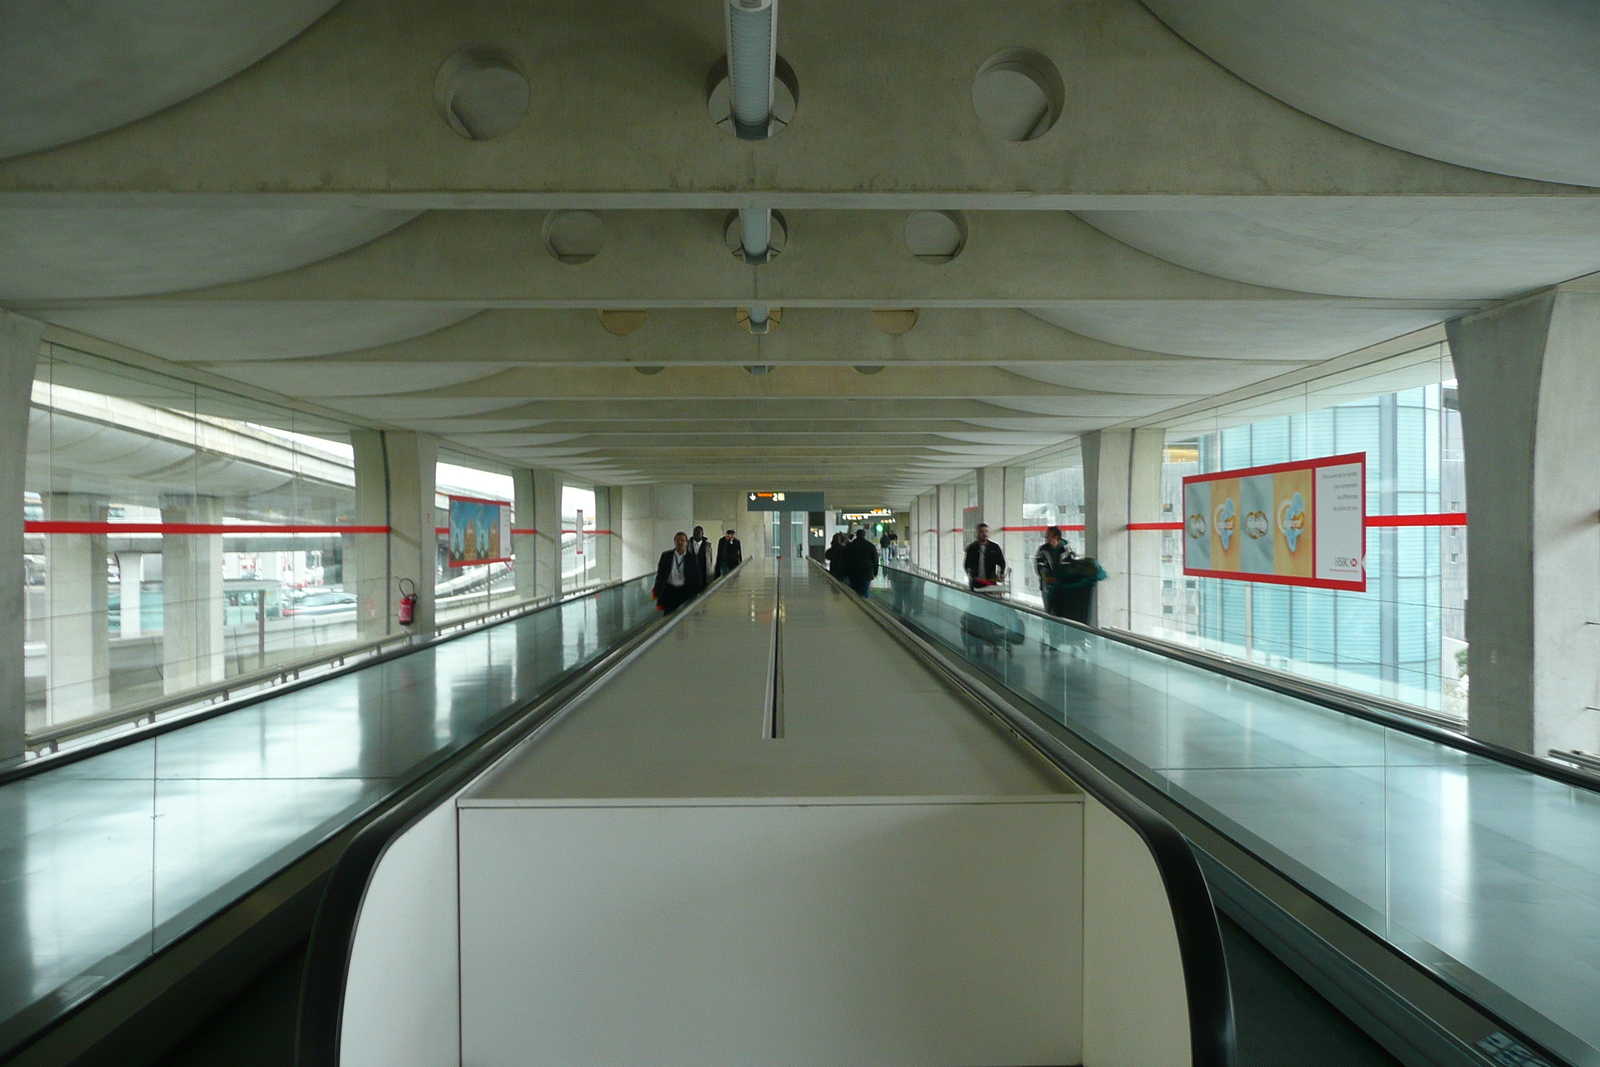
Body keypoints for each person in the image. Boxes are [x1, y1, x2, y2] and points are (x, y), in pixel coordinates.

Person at [653, 531, 705, 614]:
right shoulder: (666, 556)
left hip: (685, 591)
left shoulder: (691, 558)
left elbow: (696, 576)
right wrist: (657, 591)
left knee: (684, 616)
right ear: (674, 542)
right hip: (670, 590)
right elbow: (660, 574)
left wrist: (696, 593)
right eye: (677, 540)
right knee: (668, 615)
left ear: (686, 543)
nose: (680, 542)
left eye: (682, 540)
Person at [1034, 525, 1074, 618]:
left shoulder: (1067, 550)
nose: (1046, 537)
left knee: (1062, 612)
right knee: (1049, 613)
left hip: (1062, 586)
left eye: (1048, 535)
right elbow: (1038, 567)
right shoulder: (1043, 550)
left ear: (1056, 537)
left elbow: (1071, 567)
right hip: (1047, 586)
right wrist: (1046, 577)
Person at [963, 522, 1006, 592]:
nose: (984, 534)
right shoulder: (972, 548)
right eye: (982, 532)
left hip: (990, 582)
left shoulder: (994, 547)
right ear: (977, 534)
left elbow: (1002, 563)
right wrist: (972, 575)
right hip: (976, 582)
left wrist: (1001, 574)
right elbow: (967, 565)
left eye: (986, 531)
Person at [841, 527, 879, 596]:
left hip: (853, 573)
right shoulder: (870, 546)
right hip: (867, 573)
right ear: (864, 535)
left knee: (854, 591)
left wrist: (844, 572)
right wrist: (875, 572)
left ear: (856, 535)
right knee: (864, 591)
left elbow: (845, 559)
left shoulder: (850, 546)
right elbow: (875, 560)